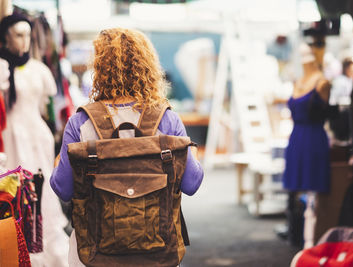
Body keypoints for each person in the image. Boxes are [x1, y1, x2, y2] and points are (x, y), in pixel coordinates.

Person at [50, 28, 204, 266]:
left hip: (93, 254)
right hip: (158, 254)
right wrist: (191, 153)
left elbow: (63, 189)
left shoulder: (81, 122)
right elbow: (192, 184)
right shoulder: (167, 119)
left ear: (99, 68)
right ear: (147, 66)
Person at [0, 13, 70, 266]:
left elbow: (45, 105)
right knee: (17, 190)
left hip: (37, 137)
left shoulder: (40, 70)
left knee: (42, 191)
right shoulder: (2, 69)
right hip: (12, 138)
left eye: (28, 35)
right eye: (18, 35)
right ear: (6, 38)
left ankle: (46, 245)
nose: (25, 41)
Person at [283, 43, 331, 248]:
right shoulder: (297, 81)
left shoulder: (323, 83)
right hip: (296, 140)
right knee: (294, 191)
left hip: (314, 140)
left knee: (315, 191)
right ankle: (296, 234)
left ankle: (313, 237)